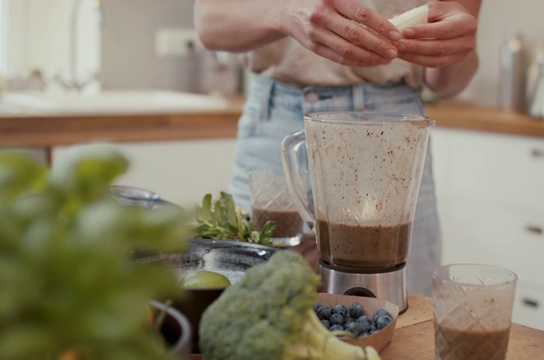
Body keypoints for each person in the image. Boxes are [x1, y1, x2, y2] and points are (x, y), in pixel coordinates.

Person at [194, 0, 481, 295]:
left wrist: (455, 46)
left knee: (404, 321)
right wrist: (285, 12)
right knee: (248, 309)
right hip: (275, 119)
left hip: (393, 132)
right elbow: (208, 22)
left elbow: (447, 81)